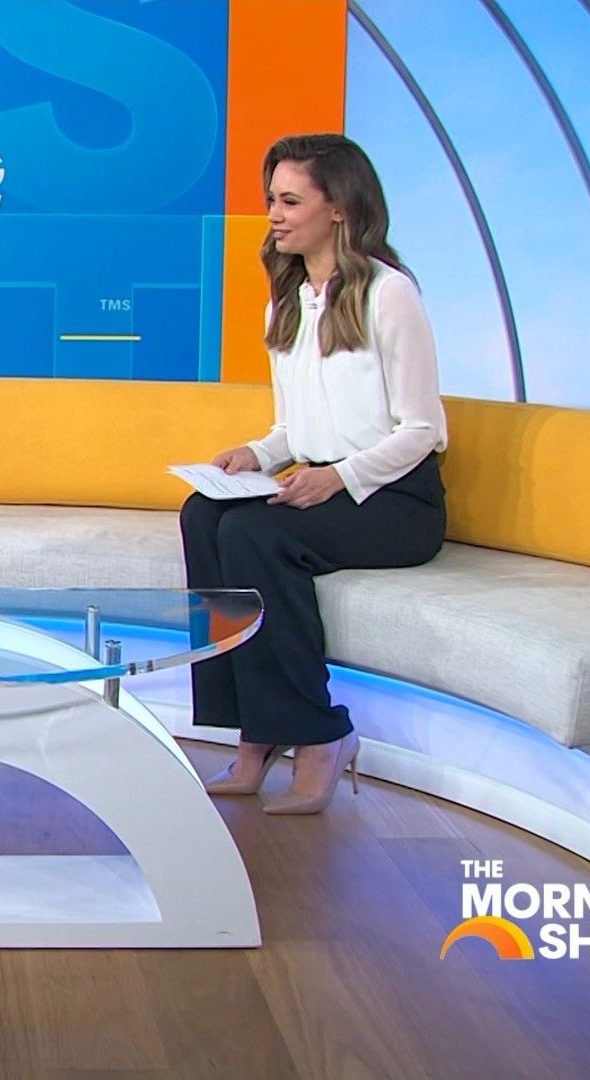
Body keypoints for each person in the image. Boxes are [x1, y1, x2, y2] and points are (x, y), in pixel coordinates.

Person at [181, 134, 448, 814]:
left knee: (255, 535)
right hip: (325, 482)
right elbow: (293, 429)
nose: (274, 214)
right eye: (271, 199)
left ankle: (320, 735)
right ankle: (253, 729)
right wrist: (256, 454)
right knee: (204, 514)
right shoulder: (288, 301)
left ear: (339, 207)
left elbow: (421, 430)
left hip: (395, 498)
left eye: (290, 201)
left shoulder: (389, 294)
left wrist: (337, 478)